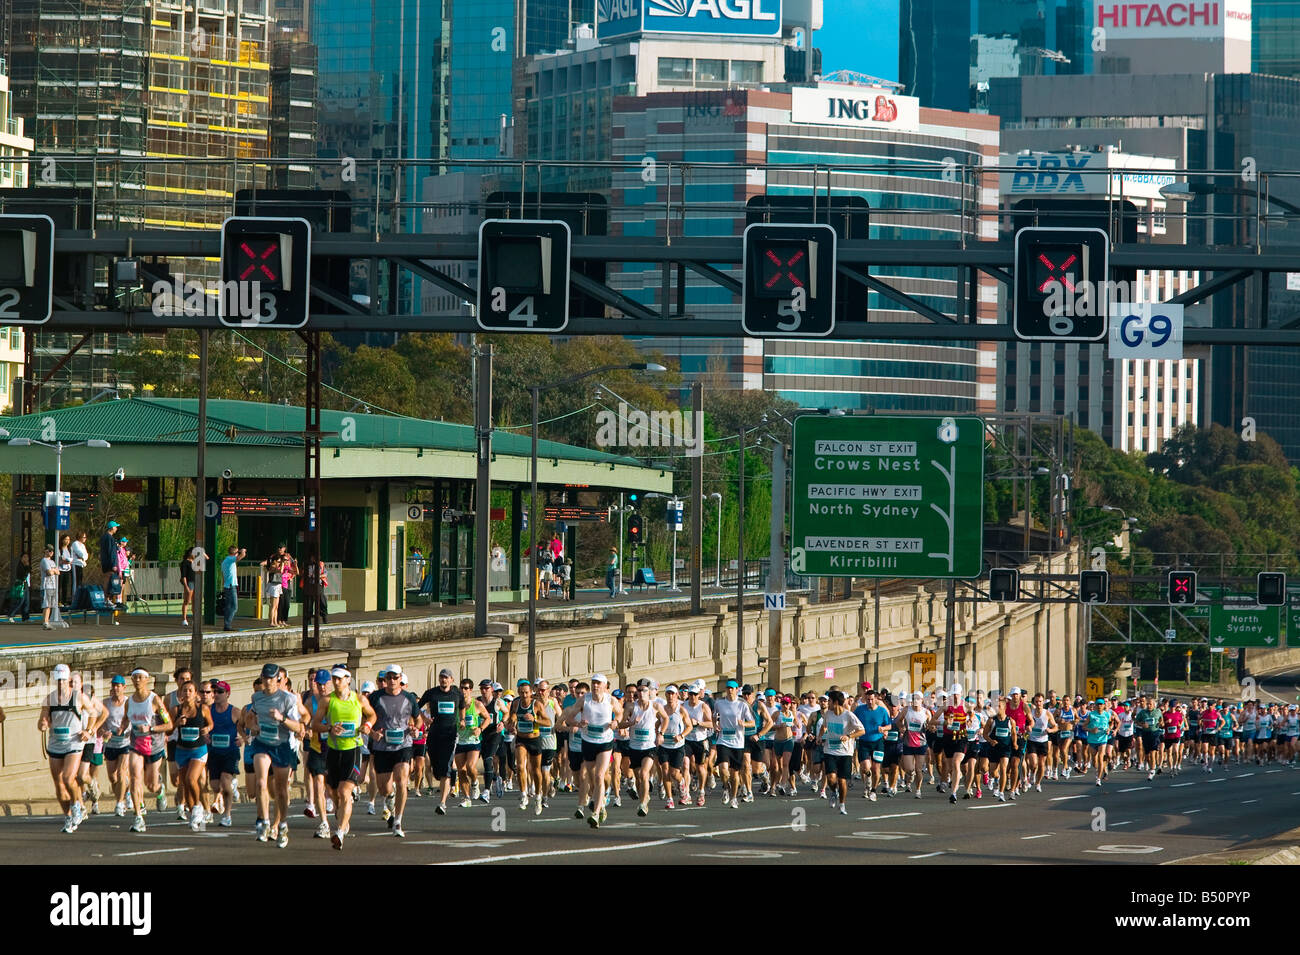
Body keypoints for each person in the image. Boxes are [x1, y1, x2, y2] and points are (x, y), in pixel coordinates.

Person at [242, 662, 308, 847]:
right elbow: (248, 718)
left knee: (280, 790)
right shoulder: (257, 698)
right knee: (261, 782)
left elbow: (298, 726)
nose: (268, 682)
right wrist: (253, 727)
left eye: (272, 678)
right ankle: (263, 821)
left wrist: (282, 718)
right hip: (262, 744)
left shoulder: (288, 699)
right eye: (265, 678)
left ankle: (283, 824)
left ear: (278, 679)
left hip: (281, 745)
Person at [314, 666, 376, 850]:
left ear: (348, 679)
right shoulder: (327, 701)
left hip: (353, 750)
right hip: (334, 751)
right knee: (333, 793)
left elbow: (372, 715)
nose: (336, 682)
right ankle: (342, 817)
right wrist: (329, 728)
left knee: (344, 791)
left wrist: (367, 724)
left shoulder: (359, 699)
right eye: (334, 678)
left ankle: (340, 833)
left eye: (340, 678)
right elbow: (315, 723)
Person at [40, 664, 104, 833]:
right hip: (55, 743)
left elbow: (93, 713)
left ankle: (77, 806)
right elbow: (43, 719)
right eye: (58, 680)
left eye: (63, 680)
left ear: (69, 680)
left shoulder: (79, 697)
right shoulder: (49, 699)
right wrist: (43, 724)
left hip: (74, 742)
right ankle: (68, 816)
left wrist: (89, 730)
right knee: (59, 785)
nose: (61, 683)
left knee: (69, 778)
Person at [124, 668, 172, 832]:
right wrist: (117, 730)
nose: (137, 680)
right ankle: (138, 817)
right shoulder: (129, 701)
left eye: (140, 677)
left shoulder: (155, 700)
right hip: (136, 744)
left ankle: (160, 789)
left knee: (150, 785)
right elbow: (125, 720)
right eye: (134, 677)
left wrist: (151, 728)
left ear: (147, 680)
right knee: (135, 777)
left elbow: (169, 724)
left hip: (154, 745)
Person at [417, 667, 464, 816]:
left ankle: (442, 803)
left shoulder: (456, 693)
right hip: (434, 735)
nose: (443, 680)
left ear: (452, 680)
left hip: (450, 735)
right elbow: (415, 706)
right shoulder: (432, 693)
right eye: (441, 677)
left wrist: (462, 720)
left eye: (446, 677)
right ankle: (441, 779)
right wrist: (424, 719)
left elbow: (462, 707)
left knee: (446, 770)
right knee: (436, 770)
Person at [168, 680, 213, 830]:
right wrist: (176, 724)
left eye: (190, 690)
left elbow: (211, 724)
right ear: (180, 693)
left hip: (198, 750)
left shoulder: (203, 709)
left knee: (191, 778)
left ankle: (199, 806)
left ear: (195, 694)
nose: (187, 693)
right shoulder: (176, 710)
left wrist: (207, 729)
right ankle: (194, 811)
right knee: (185, 784)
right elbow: (168, 731)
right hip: (182, 750)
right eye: (184, 690)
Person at [817, 689, 864, 815]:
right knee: (831, 779)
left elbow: (861, 730)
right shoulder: (828, 714)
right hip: (830, 750)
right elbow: (824, 726)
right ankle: (833, 792)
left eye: (830, 701)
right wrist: (819, 737)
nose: (828, 703)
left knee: (842, 781)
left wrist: (848, 736)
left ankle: (842, 804)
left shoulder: (848, 715)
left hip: (845, 752)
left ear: (836, 702)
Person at [206, 680, 242, 828]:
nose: (216, 695)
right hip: (213, 752)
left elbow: (246, 729)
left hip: (230, 752)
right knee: (215, 785)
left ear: (228, 694)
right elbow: (203, 727)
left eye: (220, 692)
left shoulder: (235, 712)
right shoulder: (208, 710)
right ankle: (228, 790)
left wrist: (242, 739)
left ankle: (227, 815)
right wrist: (205, 736)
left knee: (225, 781)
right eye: (215, 692)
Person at [220, 546, 245, 631]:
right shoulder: (230, 559)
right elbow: (241, 557)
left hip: (227, 585)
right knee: (234, 606)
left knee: (228, 606)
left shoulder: (224, 561)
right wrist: (243, 551)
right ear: (234, 553)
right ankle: (227, 624)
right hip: (231, 585)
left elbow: (223, 575)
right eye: (237, 552)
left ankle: (227, 624)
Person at [5, 552, 31, 623]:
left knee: (26, 602)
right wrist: (27, 567)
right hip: (20, 585)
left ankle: (25, 618)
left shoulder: (26, 565)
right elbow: (23, 575)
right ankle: (10, 615)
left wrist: (27, 566)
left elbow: (29, 571)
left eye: (27, 557)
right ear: (21, 558)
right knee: (20, 601)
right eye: (24, 557)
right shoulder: (20, 566)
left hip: (26, 585)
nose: (26, 559)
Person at [39, 545, 60, 630]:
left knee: (50, 605)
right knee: (46, 605)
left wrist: (54, 570)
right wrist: (53, 571)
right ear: (45, 551)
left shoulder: (52, 562)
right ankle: (45, 622)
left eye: (52, 551)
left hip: (53, 586)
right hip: (46, 585)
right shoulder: (44, 561)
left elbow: (58, 572)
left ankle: (47, 621)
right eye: (49, 550)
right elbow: (49, 572)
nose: (51, 552)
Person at [70, 531, 88, 600]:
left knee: (80, 581)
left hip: (81, 564)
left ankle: (78, 597)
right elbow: (80, 553)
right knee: (75, 581)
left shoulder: (83, 545)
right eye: (84, 537)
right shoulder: (75, 544)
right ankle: (74, 597)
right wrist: (82, 556)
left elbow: (86, 555)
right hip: (75, 564)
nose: (85, 538)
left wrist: (83, 557)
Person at [58, 534, 73, 605]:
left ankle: (64, 601)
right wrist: (64, 561)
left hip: (67, 569)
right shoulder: (59, 549)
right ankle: (59, 601)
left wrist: (69, 561)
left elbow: (71, 559)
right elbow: (59, 560)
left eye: (68, 540)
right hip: (61, 569)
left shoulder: (69, 549)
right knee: (59, 586)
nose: (67, 541)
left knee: (65, 586)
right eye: (66, 539)